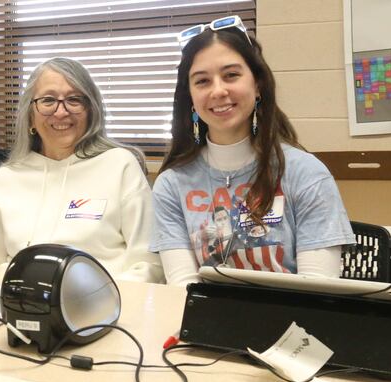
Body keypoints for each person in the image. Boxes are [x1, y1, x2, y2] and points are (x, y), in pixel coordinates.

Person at [150, 16, 354, 284]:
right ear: (190, 96)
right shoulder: (170, 185)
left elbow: (317, 290)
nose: (218, 91)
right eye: (202, 81)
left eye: (231, 75)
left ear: (257, 85)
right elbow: (184, 290)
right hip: (206, 321)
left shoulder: (306, 173)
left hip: (293, 322)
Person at [0, 57, 163, 283]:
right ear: (30, 115)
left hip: (103, 308)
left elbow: (149, 264)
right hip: (17, 305)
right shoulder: (7, 177)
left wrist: (100, 298)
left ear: (91, 110)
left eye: (74, 99)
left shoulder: (121, 166)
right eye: (48, 100)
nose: (61, 112)